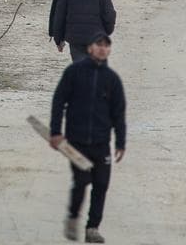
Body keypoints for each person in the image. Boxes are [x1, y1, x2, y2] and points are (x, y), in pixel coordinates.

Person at [50, 33, 127, 245]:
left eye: (106, 45)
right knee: (82, 181)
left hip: (101, 143)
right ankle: (73, 216)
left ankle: (92, 228)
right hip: (77, 141)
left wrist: (120, 142)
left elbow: (118, 114)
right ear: (90, 48)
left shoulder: (112, 79)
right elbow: (58, 102)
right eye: (98, 44)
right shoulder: (74, 72)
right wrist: (55, 132)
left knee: (101, 184)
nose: (102, 48)